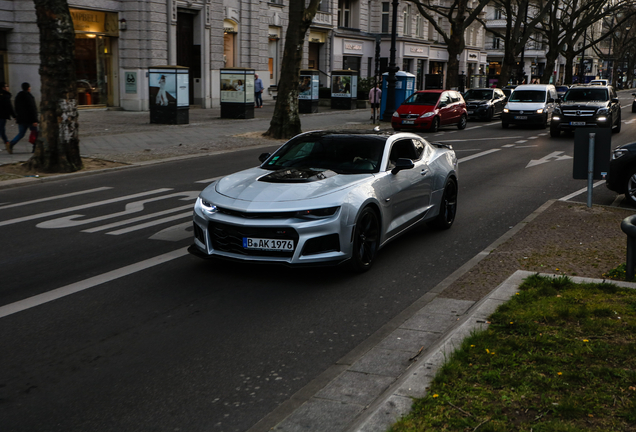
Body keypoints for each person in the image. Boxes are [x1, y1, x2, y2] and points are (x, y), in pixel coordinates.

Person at [7, 82, 38, 154]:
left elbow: (16, 108)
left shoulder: (18, 96)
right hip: (30, 119)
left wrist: (16, 116)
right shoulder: (29, 96)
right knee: (34, 133)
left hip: (21, 119)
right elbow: (32, 109)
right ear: (28, 88)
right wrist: (35, 120)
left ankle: (11, 144)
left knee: (21, 133)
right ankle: (35, 147)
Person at [1, 82, 16, 152]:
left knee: (1, 130)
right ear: (3, 88)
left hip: (2, 115)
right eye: (6, 86)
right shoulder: (6, 96)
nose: (7, 87)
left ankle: (7, 142)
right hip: (2, 115)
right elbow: (9, 107)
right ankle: (7, 143)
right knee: (1, 130)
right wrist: (14, 116)